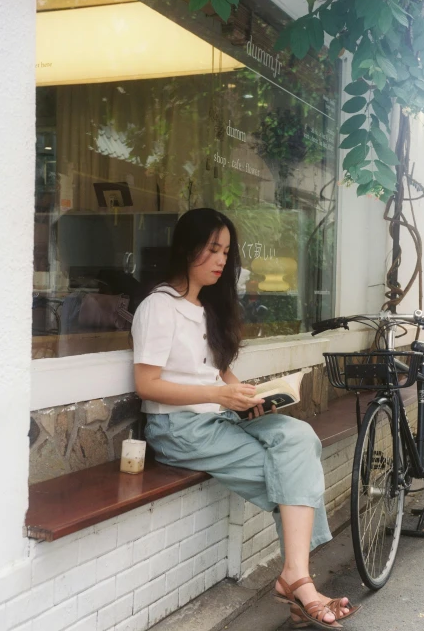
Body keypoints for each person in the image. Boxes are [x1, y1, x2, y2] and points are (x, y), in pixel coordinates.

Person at [131, 208, 360, 629]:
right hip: (179, 429)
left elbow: (219, 372)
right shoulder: (159, 307)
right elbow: (147, 384)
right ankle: (299, 585)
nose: (221, 260)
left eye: (226, 251)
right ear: (186, 249)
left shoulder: (207, 308)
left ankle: (294, 580)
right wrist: (219, 394)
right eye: (213, 249)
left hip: (220, 419)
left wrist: (248, 396)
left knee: (297, 437)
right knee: (290, 475)